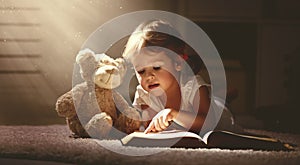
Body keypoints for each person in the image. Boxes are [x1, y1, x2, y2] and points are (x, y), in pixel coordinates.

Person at [122, 20, 241, 136]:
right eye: (141, 71)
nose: (148, 77)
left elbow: (208, 123)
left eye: (157, 67)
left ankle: (225, 96)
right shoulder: (144, 96)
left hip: (219, 114)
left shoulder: (193, 86)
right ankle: (220, 95)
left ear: (178, 63)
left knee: (220, 104)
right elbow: (150, 127)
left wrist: (173, 114)